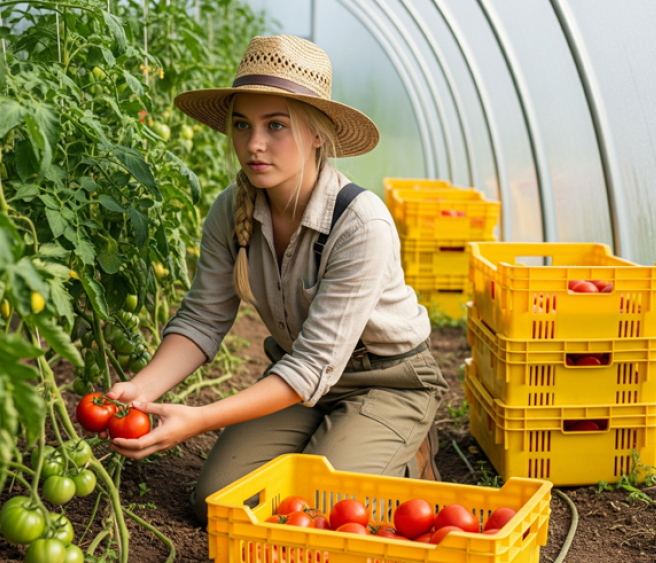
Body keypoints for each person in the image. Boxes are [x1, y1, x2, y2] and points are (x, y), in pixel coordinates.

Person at [103, 34, 448, 525]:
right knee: (218, 502)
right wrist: (141, 389)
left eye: (276, 126)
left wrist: (197, 420)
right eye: (242, 125)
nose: (254, 144)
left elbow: (313, 363)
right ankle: (334, 439)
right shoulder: (231, 210)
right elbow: (203, 318)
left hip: (386, 381)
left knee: (322, 510)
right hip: (300, 377)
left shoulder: (359, 223)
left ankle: (407, 453)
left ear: (317, 135)